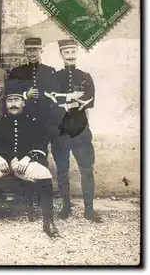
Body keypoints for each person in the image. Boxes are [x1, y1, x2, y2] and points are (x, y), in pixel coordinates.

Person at [0, 79, 60, 238]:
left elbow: (40, 146)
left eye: (17, 100)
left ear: (23, 102)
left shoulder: (34, 123)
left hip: (26, 163)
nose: (13, 104)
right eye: (10, 101)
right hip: (1, 163)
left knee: (45, 174)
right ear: (6, 104)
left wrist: (27, 159)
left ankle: (49, 222)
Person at [50, 39, 102, 223]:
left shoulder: (85, 77)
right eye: (66, 53)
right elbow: (51, 101)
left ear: (77, 53)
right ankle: (66, 207)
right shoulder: (55, 78)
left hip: (80, 130)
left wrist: (66, 101)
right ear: (61, 55)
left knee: (86, 169)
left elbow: (90, 100)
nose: (70, 55)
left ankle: (89, 209)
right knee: (62, 170)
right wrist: (68, 101)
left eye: (73, 52)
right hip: (61, 131)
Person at [8, 37, 58, 137]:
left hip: (45, 117)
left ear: (41, 50)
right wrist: (26, 95)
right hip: (24, 115)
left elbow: (55, 93)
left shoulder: (49, 71)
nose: (32, 54)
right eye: (29, 50)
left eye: (35, 50)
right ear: (25, 52)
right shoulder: (16, 72)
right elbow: (10, 92)